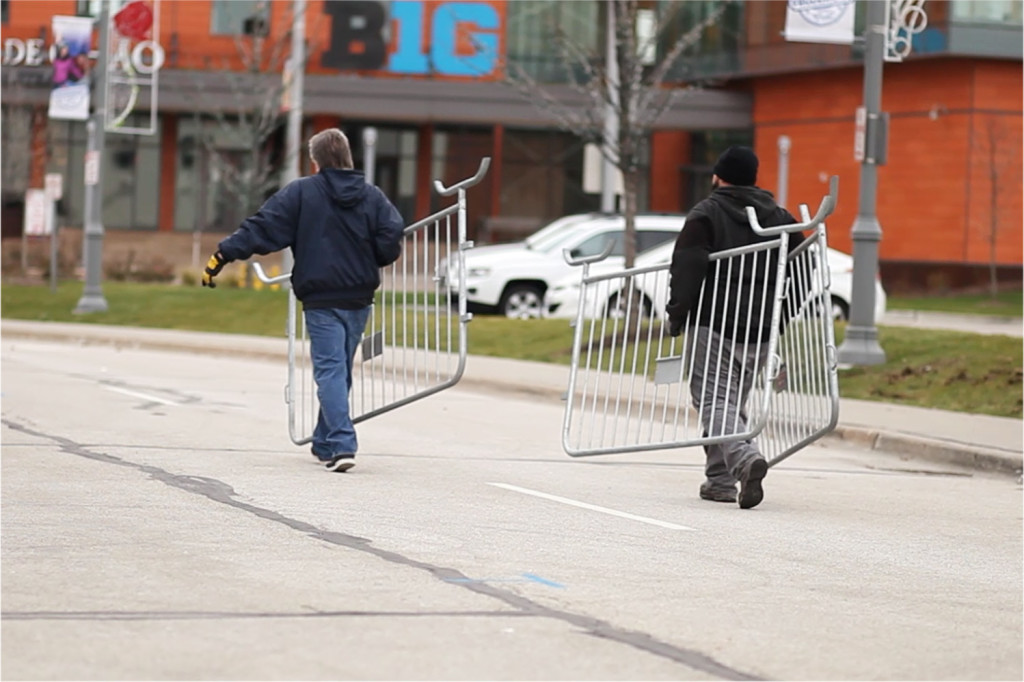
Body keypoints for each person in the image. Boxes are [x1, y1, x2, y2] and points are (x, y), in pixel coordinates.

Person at [202, 128, 404, 472]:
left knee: (330, 370)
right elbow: (392, 231)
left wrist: (223, 254)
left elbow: (262, 226)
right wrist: (376, 256)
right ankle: (325, 441)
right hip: (358, 296)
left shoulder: (302, 192)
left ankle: (342, 444)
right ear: (348, 157)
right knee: (339, 369)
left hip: (322, 296)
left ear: (316, 161)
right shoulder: (371, 196)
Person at [665, 146, 803, 509]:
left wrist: (677, 314)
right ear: (754, 178)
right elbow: (802, 270)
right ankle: (720, 481)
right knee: (728, 404)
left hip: (715, 324)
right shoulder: (781, 217)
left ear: (717, 176)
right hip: (760, 328)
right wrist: (781, 317)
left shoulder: (707, 212)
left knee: (712, 400)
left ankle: (743, 459)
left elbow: (687, 266)